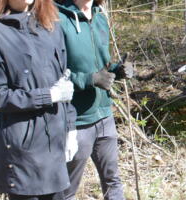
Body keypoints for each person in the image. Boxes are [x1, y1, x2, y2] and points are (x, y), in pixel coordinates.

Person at [0, 0, 78, 199]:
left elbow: (64, 82)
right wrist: (48, 96)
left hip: (55, 143)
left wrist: (71, 128)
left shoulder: (52, 26)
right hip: (21, 150)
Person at [55, 0, 134, 199]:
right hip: (76, 120)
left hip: (105, 115)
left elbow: (103, 65)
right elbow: (52, 73)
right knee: (66, 190)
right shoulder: (58, 18)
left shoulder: (100, 17)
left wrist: (119, 70)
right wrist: (89, 79)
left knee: (113, 181)